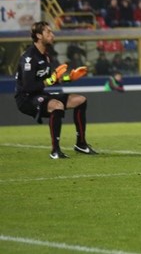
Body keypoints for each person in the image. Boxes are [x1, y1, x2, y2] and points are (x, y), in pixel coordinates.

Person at [14, 21, 96, 159]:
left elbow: (49, 79)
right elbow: (28, 87)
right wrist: (49, 81)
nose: (52, 35)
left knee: (80, 100)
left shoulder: (45, 55)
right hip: (26, 99)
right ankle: (55, 150)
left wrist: (69, 78)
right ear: (39, 36)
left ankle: (81, 144)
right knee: (57, 106)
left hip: (40, 95)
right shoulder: (29, 58)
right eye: (48, 32)